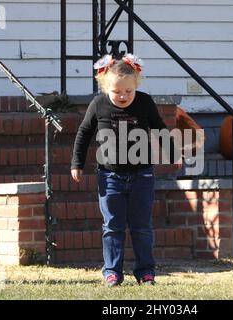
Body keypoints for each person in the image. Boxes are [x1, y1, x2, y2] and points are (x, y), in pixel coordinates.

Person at [70, 54, 182, 287]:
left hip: (142, 174)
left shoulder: (144, 103)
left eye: (128, 92)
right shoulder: (98, 105)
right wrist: (76, 163)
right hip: (109, 176)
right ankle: (112, 271)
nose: (123, 96)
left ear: (136, 86)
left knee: (142, 226)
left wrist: (173, 155)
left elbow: (160, 129)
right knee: (112, 226)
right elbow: (83, 134)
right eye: (117, 92)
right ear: (105, 86)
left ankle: (145, 272)